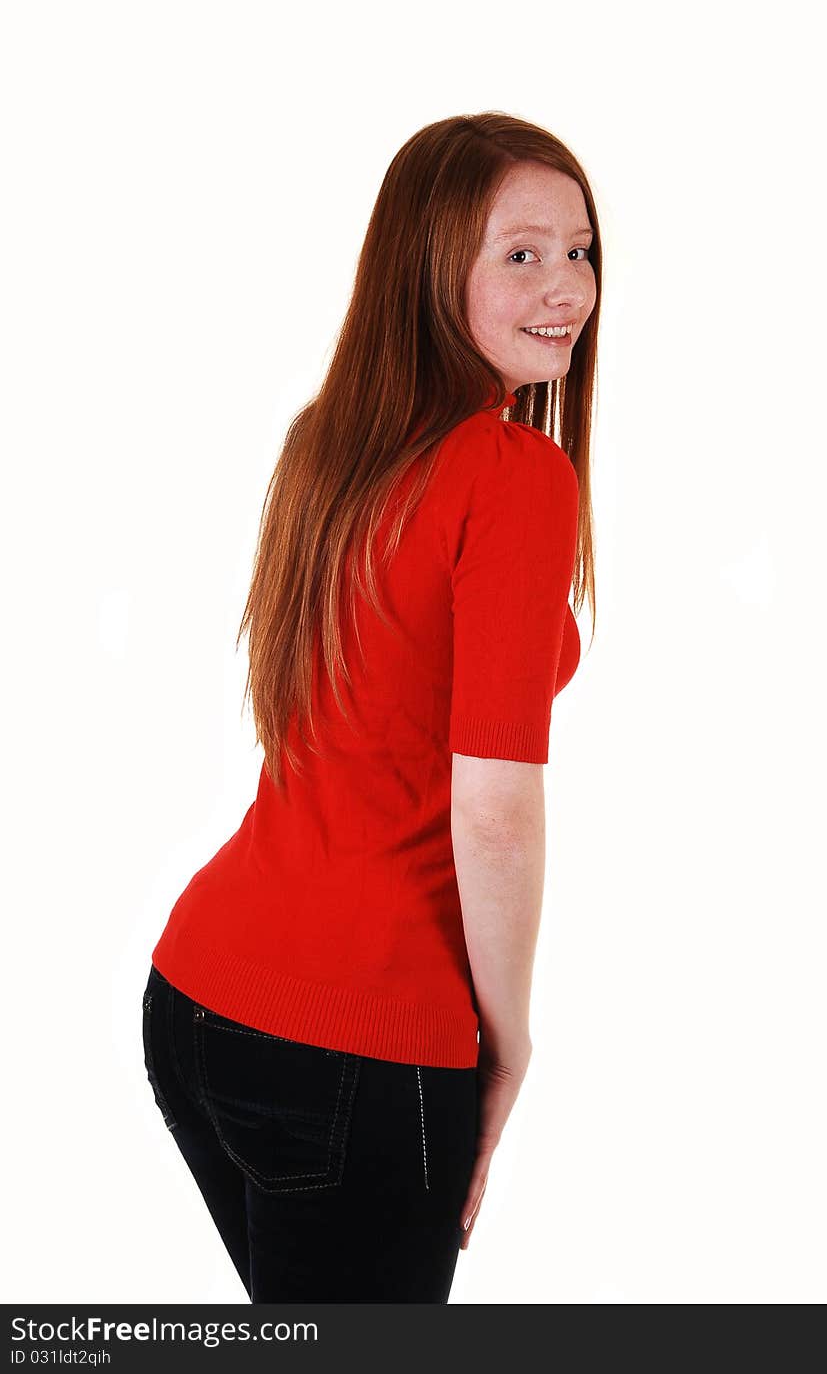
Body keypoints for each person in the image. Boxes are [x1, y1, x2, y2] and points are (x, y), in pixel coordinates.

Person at [140, 110, 601, 1303]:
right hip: (358, 1045)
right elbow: (493, 811)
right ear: (427, 261)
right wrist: (508, 1046)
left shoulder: (328, 447)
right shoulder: (511, 476)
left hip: (196, 998)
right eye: (522, 254)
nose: (567, 288)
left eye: (582, 252)